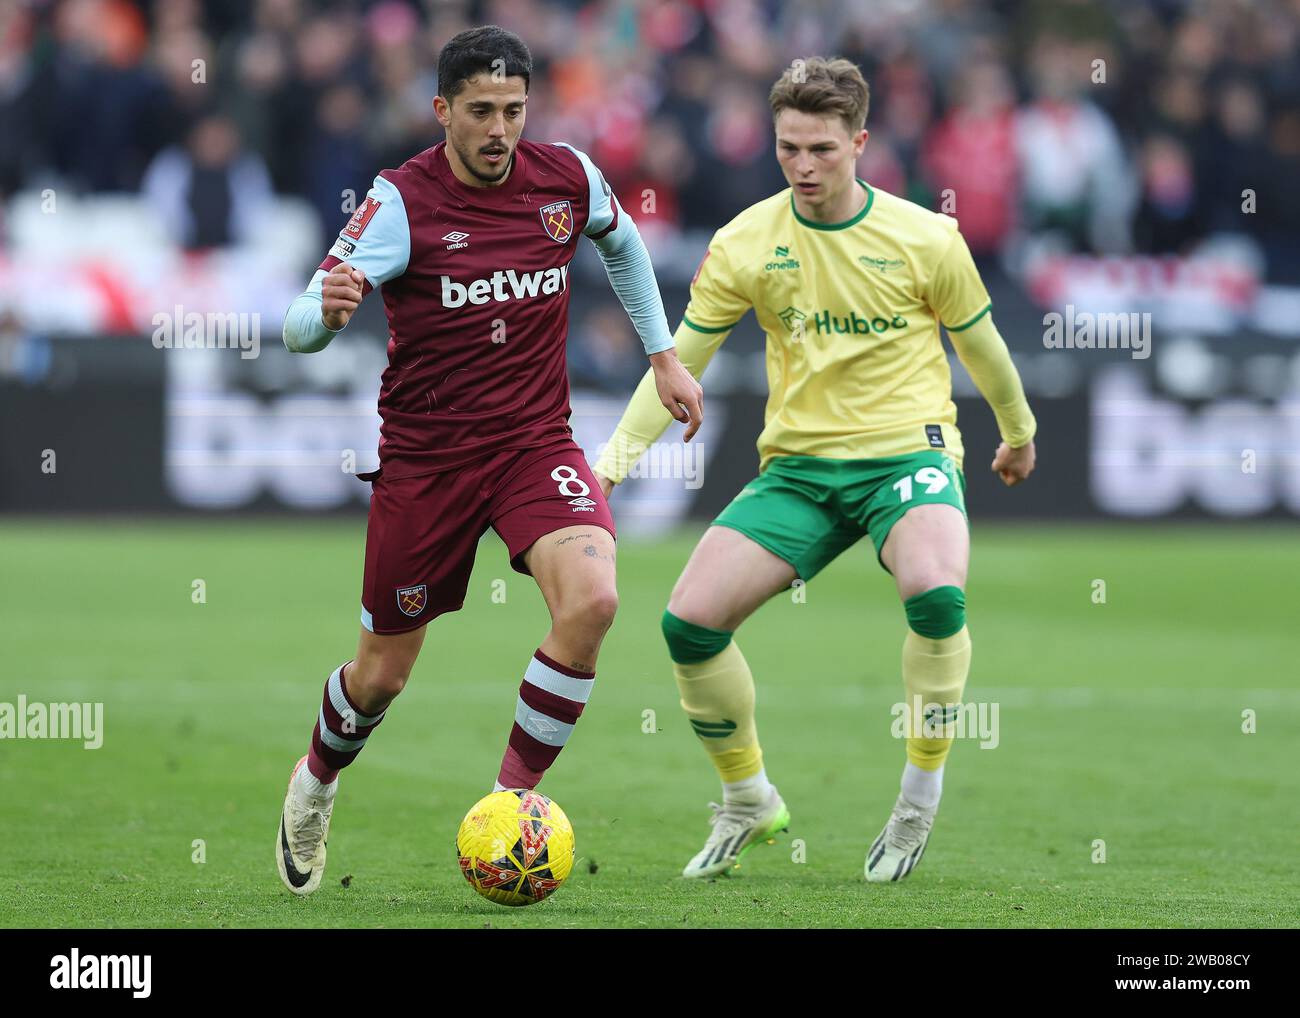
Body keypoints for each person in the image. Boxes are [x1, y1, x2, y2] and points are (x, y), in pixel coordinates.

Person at [274, 25, 702, 896]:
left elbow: (619, 241)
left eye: (513, 109)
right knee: (380, 676)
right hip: (427, 464)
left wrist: (662, 355)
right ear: (442, 112)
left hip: (533, 444)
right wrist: (326, 312)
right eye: (480, 112)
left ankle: (510, 804)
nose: (499, 128)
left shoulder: (566, 178)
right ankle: (315, 783)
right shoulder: (398, 203)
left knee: (595, 599)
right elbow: (296, 332)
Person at [595, 57, 1037, 882]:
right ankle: (748, 799)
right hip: (798, 469)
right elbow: (677, 367)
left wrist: (1018, 431)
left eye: (822, 149)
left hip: (908, 452)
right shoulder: (746, 242)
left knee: (936, 592)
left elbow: (982, 346)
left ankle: (916, 800)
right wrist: (610, 468)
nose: (803, 165)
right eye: (789, 147)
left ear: (861, 142)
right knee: (687, 624)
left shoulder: (925, 237)